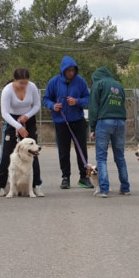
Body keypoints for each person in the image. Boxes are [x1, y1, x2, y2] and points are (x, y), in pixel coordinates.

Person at [0, 68, 43, 198]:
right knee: (6, 154)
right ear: (15, 80)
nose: (24, 85)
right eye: (21, 83)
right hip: (12, 120)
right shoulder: (7, 90)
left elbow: (37, 105)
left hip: (28, 119)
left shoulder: (32, 87)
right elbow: (4, 113)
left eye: (26, 82)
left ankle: (36, 185)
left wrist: (27, 116)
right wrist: (18, 126)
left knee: (33, 152)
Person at [42, 56, 93, 190]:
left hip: (78, 121)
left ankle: (84, 177)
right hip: (61, 121)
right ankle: (65, 177)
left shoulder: (80, 82)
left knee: (81, 149)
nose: (71, 73)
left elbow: (88, 98)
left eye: (73, 70)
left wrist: (77, 102)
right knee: (63, 151)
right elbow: (46, 99)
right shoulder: (54, 82)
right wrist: (53, 106)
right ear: (63, 70)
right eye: (68, 70)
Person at [88, 66, 130, 197]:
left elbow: (93, 107)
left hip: (104, 121)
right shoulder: (118, 84)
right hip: (120, 122)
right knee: (120, 157)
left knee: (101, 157)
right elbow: (123, 102)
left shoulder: (98, 84)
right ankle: (125, 187)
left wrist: (93, 127)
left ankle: (103, 189)